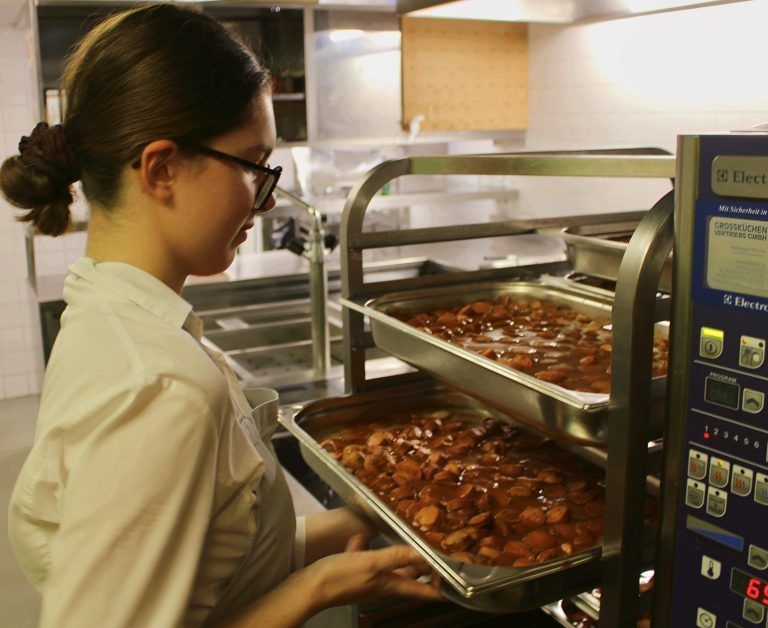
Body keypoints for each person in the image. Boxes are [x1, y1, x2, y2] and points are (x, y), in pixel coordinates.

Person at [0, 4, 441, 627]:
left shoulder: (108, 316)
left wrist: (364, 520)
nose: (262, 202)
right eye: (254, 165)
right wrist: (310, 590)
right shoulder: (159, 388)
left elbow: (209, 562)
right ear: (163, 169)